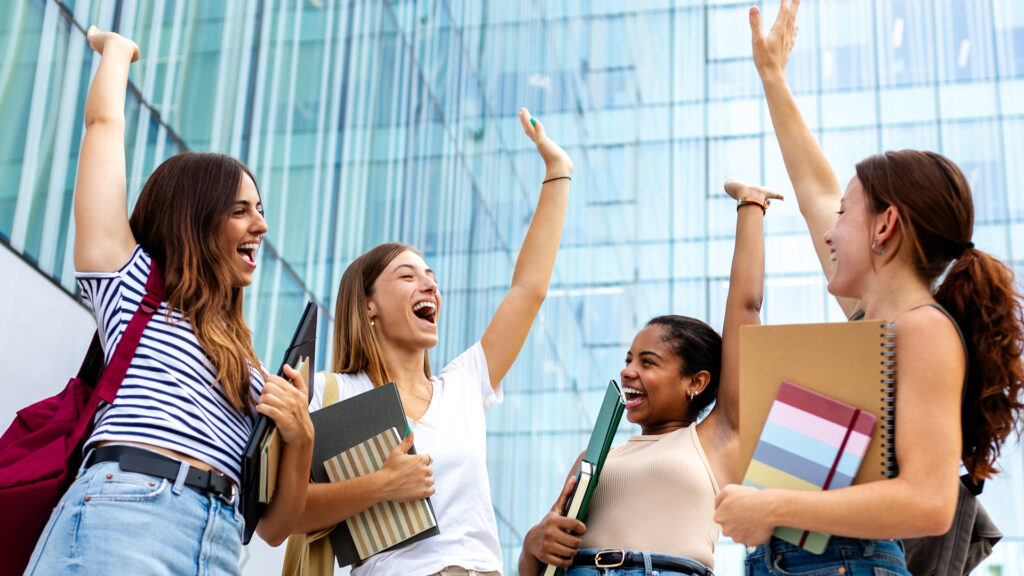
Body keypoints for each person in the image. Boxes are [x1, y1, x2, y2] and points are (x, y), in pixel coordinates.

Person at [713, 2, 1024, 574]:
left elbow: (929, 503)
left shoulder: (923, 331)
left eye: (846, 214)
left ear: (885, 227)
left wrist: (771, 507)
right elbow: (812, 187)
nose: (829, 230)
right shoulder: (877, 325)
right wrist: (773, 78)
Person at [25, 27, 315, 575]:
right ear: (195, 218)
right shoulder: (133, 288)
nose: (262, 225)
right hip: (129, 515)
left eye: (260, 208)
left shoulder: (250, 369)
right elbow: (102, 129)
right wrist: (116, 53)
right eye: (241, 211)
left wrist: (300, 436)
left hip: (222, 543)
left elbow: (275, 528)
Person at [292, 108, 572, 576]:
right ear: (368, 306)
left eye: (432, 278)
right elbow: (287, 514)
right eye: (408, 276)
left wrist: (557, 172)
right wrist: (380, 485)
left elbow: (529, 289)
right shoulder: (329, 392)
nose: (430, 286)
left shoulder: (463, 385)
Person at [518, 180, 783, 576]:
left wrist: (751, 205)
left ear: (696, 382)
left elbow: (745, 310)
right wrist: (534, 542)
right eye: (628, 360)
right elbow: (539, 565)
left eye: (648, 362)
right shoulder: (595, 458)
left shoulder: (717, 437)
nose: (628, 371)